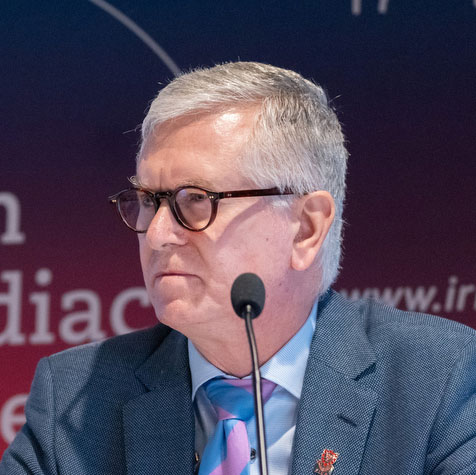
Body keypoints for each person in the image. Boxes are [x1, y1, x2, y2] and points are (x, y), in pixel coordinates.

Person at [1, 62, 475, 475]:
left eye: (195, 199)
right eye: (148, 200)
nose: (158, 234)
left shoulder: (438, 381)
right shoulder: (77, 399)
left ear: (306, 228)